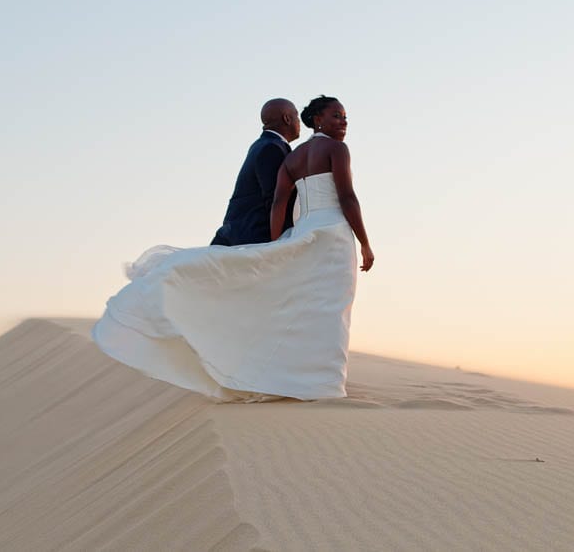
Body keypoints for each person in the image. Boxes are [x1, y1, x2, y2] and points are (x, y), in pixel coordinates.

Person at [91, 95, 373, 401]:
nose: (343, 122)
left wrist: (281, 242)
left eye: (345, 117)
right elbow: (346, 197)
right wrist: (365, 243)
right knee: (330, 306)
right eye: (337, 116)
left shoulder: (292, 156)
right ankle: (319, 382)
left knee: (306, 305)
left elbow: (280, 202)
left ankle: (306, 379)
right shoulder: (324, 149)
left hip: (303, 231)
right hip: (332, 234)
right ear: (315, 119)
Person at [210, 98, 300, 246]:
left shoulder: (262, 145)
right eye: (296, 116)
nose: (299, 122)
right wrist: (281, 242)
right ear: (287, 118)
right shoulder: (272, 148)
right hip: (251, 238)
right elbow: (275, 199)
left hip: (239, 233)